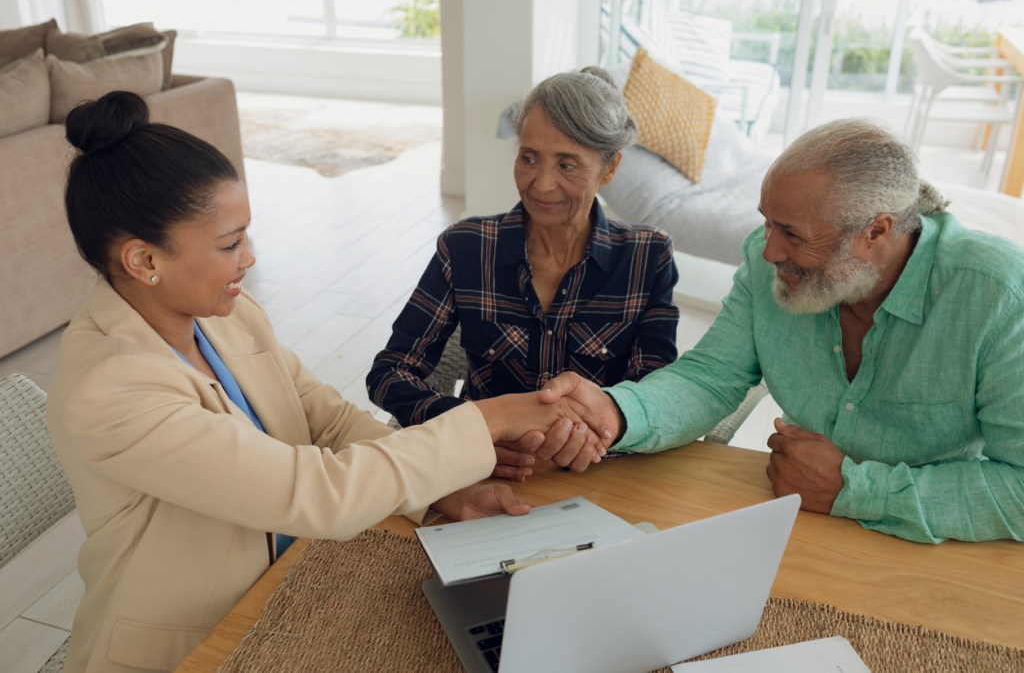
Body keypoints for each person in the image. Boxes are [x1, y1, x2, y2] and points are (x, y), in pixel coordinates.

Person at [46, 91, 609, 673]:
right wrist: (492, 418)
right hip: (195, 645)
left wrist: (444, 493)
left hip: (294, 588)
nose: (250, 258)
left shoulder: (225, 315)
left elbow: (330, 422)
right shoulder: (112, 388)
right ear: (143, 261)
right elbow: (314, 494)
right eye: (230, 244)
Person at [537, 118, 1024, 545]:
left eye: (791, 233)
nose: (769, 251)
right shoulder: (763, 257)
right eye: (767, 223)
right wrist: (618, 412)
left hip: (935, 550)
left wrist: (853, 489)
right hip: (797, 530)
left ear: (877, 231)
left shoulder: (998, 295)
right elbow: (711, 377)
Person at [366, 67, 680, 480]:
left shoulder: (647, 257)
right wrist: (477, 425)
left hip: (600, 479)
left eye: (568, 165)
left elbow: (651, 397)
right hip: (482, 472)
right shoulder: (465, 247)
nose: (542, 185)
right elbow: (389, 373)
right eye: (528, 158)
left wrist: (587, 437)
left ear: (610, 168)